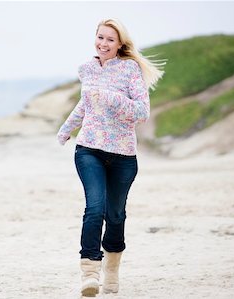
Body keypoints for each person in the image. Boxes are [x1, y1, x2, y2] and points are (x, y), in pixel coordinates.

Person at [57, 18, 165, 297]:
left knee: (115, 215)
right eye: (100, 37)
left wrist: (110, 97)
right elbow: (86, 102)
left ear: (120, 44)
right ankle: (90, 273)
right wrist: (67, 128)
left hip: (122, 156)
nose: (103, 44)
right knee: (95, 208)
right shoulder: (86, 69)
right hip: (89, 149)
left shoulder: (130, 70)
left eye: (110, 40)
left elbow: (141, 113)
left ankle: (112, 270)